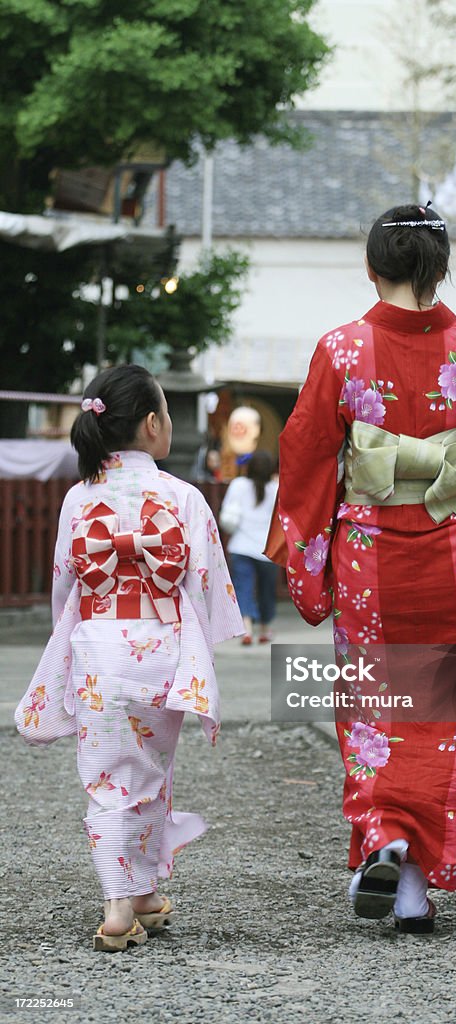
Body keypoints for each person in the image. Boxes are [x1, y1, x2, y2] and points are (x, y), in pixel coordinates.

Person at [268, 203, 456, 933]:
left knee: (375, 709)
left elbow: (305, 455)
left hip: (368, 557)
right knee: (450, 712)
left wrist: (307, 554)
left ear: (371, 267)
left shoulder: (341, 349)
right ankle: (412, 886)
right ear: (441, 267)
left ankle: (385, 834)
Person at [14, 365, 244, 951]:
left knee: (110, 774)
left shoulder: (77, 498)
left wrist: (79, 633)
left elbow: (66, 587)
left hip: (98, 646)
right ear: (151, 425)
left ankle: (130, 899)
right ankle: (126, 900)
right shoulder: (183, 496)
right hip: (159, 647)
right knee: (148, 769)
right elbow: (202, 586)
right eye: (167, 412)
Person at [219, 450, 279, 645]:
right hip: (268, 550)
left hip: (241, 546)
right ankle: (265, 628)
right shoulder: (277, 488)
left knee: (243, 587)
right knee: (267, 591)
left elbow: (227, 511)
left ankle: (247, 628)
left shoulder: (238, 485)